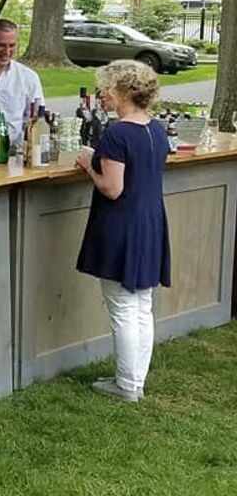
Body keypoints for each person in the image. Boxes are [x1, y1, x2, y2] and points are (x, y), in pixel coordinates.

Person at [74, 59, 170, 403]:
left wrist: (88, 165)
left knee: (123, 307)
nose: (103, 93)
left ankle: (127, 385)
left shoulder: (118, 133)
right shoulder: (155, 129)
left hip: (122, 225)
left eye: (108, 88)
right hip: (150, 221)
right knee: (142, 305)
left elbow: (112, 188)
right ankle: (134, 380)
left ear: (125, 92)